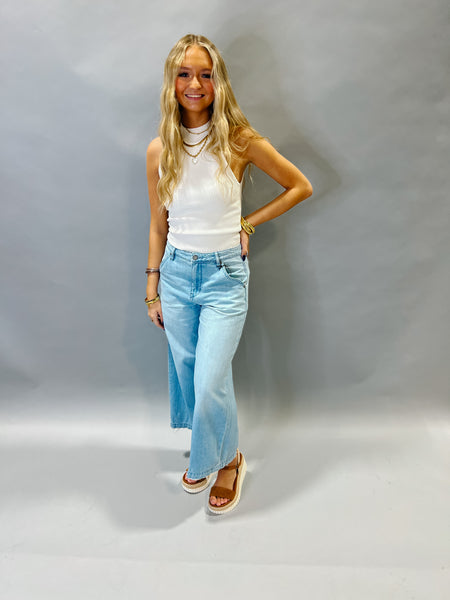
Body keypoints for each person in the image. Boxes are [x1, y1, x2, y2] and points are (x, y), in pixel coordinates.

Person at [145, 34, 313, 515]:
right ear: (171, 83)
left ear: (218, 82)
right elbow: (158, 224)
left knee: (210, 379)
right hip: (176, 275)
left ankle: (226, 461)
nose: (194, 84)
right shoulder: (159, 150)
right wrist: (152, 287)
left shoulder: (239, 140)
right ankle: (222, 453)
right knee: (188, 373)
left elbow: (299, 185)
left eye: (205, 74)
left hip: (223, 277)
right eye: (184, 74)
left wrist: (248, 223)